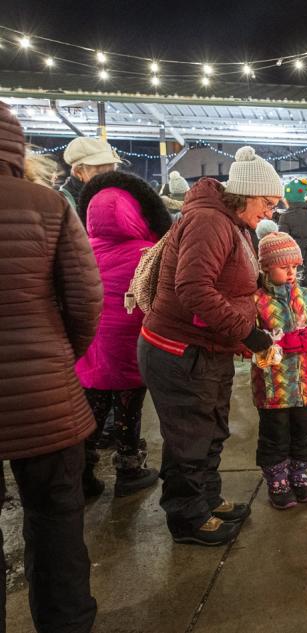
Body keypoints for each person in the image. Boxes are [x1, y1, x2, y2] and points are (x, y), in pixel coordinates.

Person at [139, 145, 283, 546]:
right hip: (181, 350)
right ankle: (188, 517)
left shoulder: (231, 222)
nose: (270, 212)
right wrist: (248, 333)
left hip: (209, 347)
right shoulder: (209, 221)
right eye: (268, 203)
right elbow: (194, 289)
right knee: (190, 435)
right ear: (247, 194)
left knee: (212, 428)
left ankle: (207, 498)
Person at [0, 102, 100, 633]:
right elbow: (85, 300)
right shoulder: (47, 204)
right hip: (43, 395)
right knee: (57, 521)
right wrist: (59, 358)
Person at [75, 171, 172, 499]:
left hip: (91, 348)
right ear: (136, 215)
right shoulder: (147, 252)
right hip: (130, 347)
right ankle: (129, 469)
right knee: (129, 410)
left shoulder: (80, 249)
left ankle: (82, 475)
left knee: (92, 411)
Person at [251, 222, 307, 509]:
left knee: (303, 431)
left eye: (295, 267)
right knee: (275, 434)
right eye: (283, 267)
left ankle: (298, 472)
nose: (291, 273)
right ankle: (276, 477)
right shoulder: (257, 301)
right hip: (274, 389)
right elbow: (249, 338)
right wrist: (277, 343)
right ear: (266, 268)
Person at [59, 136, 123, 216]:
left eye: (111, 173)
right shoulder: (63, 203)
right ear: (78, 172)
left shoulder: (120, 196)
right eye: (99, 175)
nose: (108, 180)